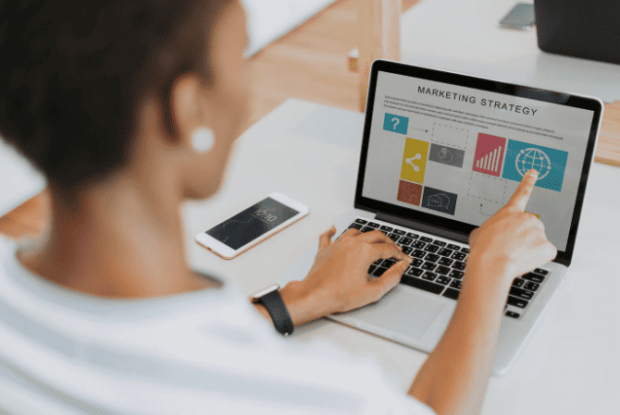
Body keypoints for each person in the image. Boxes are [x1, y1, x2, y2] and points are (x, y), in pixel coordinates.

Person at [0, 0, 557, 413]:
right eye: (241, 55)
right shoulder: (295, 395)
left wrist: (300, 298)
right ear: (188, 108)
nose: (247, 84)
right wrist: (487, 267)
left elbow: (135, 343)